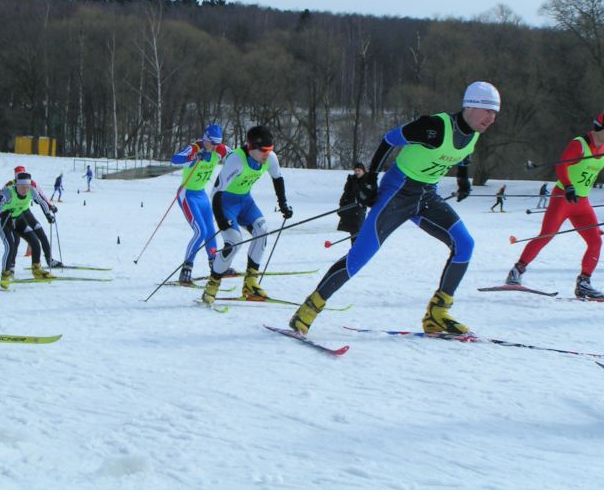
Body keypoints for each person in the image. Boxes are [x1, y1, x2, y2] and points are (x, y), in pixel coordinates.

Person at [289, 81, 501, 335]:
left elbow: (464, 152)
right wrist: (370, 178)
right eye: (488, 110)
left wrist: (463, 178)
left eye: (495, 113)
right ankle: (309, 309)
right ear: (471, 106)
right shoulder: (434, 127)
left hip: (427, 195)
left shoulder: (474, 132)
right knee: (360, 256)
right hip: (398, 193)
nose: (492, 118)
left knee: (465, 244)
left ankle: (438, 313)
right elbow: (389, 139)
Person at [506, 112, 604, 299]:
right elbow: (561, 166)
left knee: (595, 241)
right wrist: (568, 186)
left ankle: (584, 284)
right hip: (563, 198)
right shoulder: (580, 144)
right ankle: (516, 271)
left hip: (582, 202)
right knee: (547, 235)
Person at [201, 125, 293, 305]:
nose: (268, 154)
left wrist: (283, 204)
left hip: (245, 202)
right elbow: (217, 192)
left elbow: (278, 178)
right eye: (264, 150)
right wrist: (221, 219)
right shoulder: (236, 160)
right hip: (225, 203)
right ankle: (212, 286)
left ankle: (250, 283)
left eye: (270, 149)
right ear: (251, 147)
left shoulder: (270, 158)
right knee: (234, 242)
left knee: (262, 231)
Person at [170, 124, 231, 283]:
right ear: (206, 139)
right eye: (213, 143)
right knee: (200, 232)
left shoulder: (219, 149)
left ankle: (214, 264)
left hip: (202, 195)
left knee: (210, 230)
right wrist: (194, 157)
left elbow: (235, 155)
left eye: (218, 143)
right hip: (187, 195)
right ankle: (186, 268)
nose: (216, 146)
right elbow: (175, 159)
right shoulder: (194, 148)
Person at [0, 172, 56, 289]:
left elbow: (42, 202)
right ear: (17, 185)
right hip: (4, 221)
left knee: (35, 241)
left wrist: (48, 215)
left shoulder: (32, 191)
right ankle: (5, 275)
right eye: (22, 187)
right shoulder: (8, 193)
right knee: (10, 246)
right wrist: (4, 211)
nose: (25, 190)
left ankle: (37, 270)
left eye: (27, 187)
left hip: (18, 219)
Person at [337, 162, 370, 245]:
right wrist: (341, 205)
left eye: (359, 170)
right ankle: (354, 249)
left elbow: (369, 195)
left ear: (363, 171)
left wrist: (362, 200)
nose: (357, 172)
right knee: (352, 231)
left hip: (359, 209)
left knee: (358, 230)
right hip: (350, 208)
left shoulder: (368, 180)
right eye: (355, 170)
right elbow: (346, 193)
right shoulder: (352, 180)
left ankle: (358, 249)